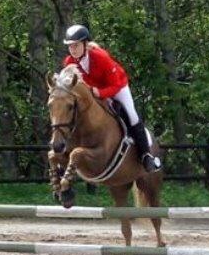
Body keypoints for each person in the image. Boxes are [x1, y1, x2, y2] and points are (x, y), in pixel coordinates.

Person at [62, 24, 161, 172]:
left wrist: (100, 93)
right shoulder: (69, 63)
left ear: (85, 44)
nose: (73, 49)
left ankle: (146, 156)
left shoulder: (101, 57)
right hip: (93, 92)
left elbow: (114, 85)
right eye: (70, 46)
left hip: (117, 87)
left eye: (76, 45)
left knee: (132, 115)